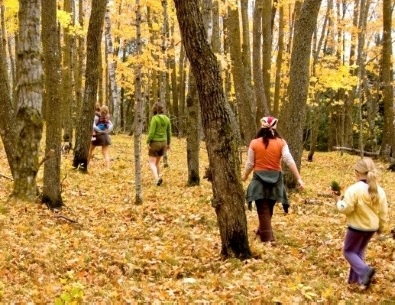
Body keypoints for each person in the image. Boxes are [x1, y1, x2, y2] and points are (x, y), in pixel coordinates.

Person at [241, 116, 304, 243]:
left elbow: (250, 164)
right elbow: (288, 159)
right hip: (276, 181)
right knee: (268, 208)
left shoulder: (254, 143)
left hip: (259, 180)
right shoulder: (281, 143)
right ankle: (262, 230)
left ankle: (267, 239)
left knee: (263, 209)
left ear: (261, 127)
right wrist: (299, 178)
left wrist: (245, 176)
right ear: (275, 128)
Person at [332, 157, 388, 290]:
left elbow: (345, 208)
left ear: (357, 173)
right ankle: (355, 281)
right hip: (371, 228)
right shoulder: (379, 190)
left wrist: (337, 200)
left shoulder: (355, 189)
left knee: (348, 251)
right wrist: (382, 227)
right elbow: (383, 211)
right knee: (358, 252)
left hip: (357, 227)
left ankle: (365, 271)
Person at [147, 102, 171, 186]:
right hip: (163, 143)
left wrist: (148, 142)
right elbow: (168, 132)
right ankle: (158, 178)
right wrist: (168, 143)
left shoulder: (154, 119)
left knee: (151, 163)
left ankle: (157, 179)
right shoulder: (167, 119)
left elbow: (151, 132)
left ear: (154, 110)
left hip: (155, 143)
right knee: (157, 163)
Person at [89, 105, 113, 170]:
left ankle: (87, 164)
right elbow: (111, 126)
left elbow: (93, 126)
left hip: (97, 136)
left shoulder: (97, 117)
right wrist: (106, 131)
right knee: (105, 152)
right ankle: (108, 168)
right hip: (105, 136)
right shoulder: (108, 118)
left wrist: (100, 130)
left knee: (90, 149)